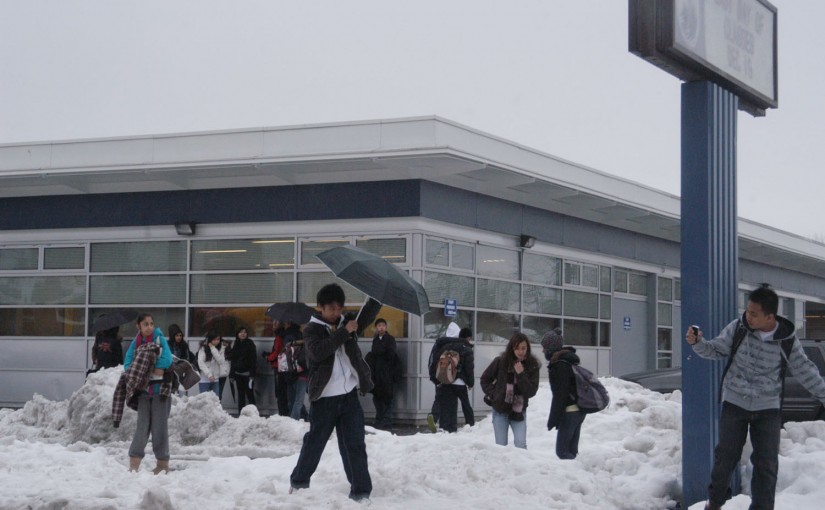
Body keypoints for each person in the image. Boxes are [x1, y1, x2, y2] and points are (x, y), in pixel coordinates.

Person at [686, 285, 825, 510]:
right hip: (735, 403)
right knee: (725, 458)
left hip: (768, 408)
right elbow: (715, 350)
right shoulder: (738, 328)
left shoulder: (786, 340)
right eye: (747, 311)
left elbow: (806, 371)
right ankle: (715, 503)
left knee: (766, 465)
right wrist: (698, 343)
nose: (747, 317)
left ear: (770, 317)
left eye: (754, 314)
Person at [289, 283, 373, 502]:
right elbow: (318, 353)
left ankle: (361, 491)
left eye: (339, 308)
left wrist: (375, 300)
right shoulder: (311, 329)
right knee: (315, 443)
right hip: (324, 398)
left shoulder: (347, 322)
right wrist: (344, 332)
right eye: (332, 309)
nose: (336, 313)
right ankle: (299, 482)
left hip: (349, 396)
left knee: (355, 443)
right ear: (321, 307)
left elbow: (366, 318)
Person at [122, 312, 173, 474]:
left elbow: (168, 359)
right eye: (145, 324)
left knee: (160, 428)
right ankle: (134, 462)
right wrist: (137, 372)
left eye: (151, 324)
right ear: (138, 326)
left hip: (161, 392)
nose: (149, 327)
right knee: (142, 428)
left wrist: (154, 367)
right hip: (143, 392)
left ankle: (162, 464)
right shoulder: (136, 342)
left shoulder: (159, 339)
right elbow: (128, 363)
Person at [480, 332, 540, 449]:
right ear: (511, 348)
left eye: (523, 348)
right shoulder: (501, 361)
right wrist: (495, 394)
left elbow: (531, 391)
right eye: (517, 348)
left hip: (519, 411)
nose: (520, 351)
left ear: (528, 348)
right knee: (501, 447)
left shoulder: (532, 365)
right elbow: (485, 379)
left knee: (521, 445)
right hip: (500, 410)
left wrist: (521, 374)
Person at [542, 327, 585, 459]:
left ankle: (574, 471)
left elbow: (560, 394)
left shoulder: (560, 365)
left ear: (551, 348)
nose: (543, 350)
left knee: (562, 452)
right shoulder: (568, 361)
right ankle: (576, 471)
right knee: (571, 450)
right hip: (578, 411)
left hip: (570, 411)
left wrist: (553, 419)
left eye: (544, 347)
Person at [427, 322, 475, 433]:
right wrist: (470, 383)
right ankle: (471, 424)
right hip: (460, 382)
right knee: (465, 404)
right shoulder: (466, 348)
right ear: (468, 337)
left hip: (446, 380)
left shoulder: (444, 346)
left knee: (445, 403)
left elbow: (435, 362)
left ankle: (443, 425)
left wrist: (436, 379)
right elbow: (469, 368)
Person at [365, 318, 402, 429]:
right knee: (377, 396)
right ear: (376, 327)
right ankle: (380, 418)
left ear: (386, 327)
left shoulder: (390, 339)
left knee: (387, 397)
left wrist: (381, 353)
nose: (381, 328)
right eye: (379, 326)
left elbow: (391, 354)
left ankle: (386, 419)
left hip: (387, 372)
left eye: (383, 326)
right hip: (377, 373)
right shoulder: (375, 339)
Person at [229, 326, 257, 413]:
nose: (243, 334)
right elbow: (233, 361)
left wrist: (252, 374)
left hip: (248, 375)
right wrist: (231, 375)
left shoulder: (250, 343)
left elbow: (254, 359)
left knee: (250, 394)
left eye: (245, 332)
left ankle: (254, 414)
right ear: (237, 334)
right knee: (241, 395)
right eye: (241, 332)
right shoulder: (236, 344)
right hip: (238, 374)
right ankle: (241, 413)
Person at [265, 322, 291, 416]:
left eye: (275, 324)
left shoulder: (278, 338)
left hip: (279, 367)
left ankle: (282, 414)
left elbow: (277, 352)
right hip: (286, 367)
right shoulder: (286, 336)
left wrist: (268, 358)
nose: (273, 326)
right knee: (285, 392)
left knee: (280, 393)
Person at [197, 331, 228, 397]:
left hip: (215, 379)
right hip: (204, 379)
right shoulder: (203, 348)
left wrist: (213, 348)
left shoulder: (221, 348)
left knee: (215, 400)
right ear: (210, 339)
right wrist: (209, 375)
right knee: (204, 400)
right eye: (214, 339)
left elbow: (221, 361)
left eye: (218, 339)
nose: (216, 341)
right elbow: (201, 363)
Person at [167, 324, 195, 396]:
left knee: (181, 391)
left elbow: (187, 358)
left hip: (181, 370)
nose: (179, 337)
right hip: (170, 371)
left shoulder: (184, 345)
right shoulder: (168, 344)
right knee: (171, 391)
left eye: (180, 335)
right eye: (177, 335)